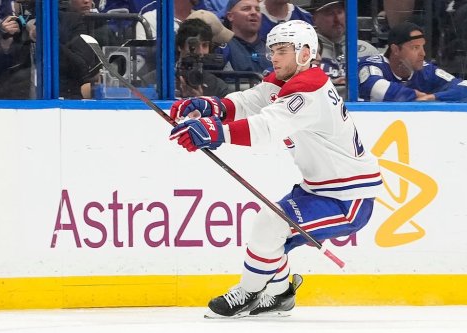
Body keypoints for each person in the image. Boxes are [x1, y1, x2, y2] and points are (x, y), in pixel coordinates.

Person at [168, 20, 382, 318]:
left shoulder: (309, 91)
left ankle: (247, 293)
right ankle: (280, 294)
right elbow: (252, 101)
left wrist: (216, 132)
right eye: (272, 51)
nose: (274, 57)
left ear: (305, 53)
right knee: (268, 232)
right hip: (319, 189)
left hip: (349, 198)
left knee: (271, 224)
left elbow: (266, 128)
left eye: (283, 50)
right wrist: (214, 107)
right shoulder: (288, 81)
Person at [358, 21, 467, 102]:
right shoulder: (371, 64)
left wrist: (432, 97)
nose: (423, 54)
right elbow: (376, 87)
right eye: (415, 48)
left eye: (422, 47)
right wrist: (416, 96)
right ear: (395, 49)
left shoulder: (427, 70)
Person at [143, 18, 232, 98]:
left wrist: (201, 102)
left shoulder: (217, 87)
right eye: (193, 45)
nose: (200, 52)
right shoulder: (154, 80)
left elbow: (228, 112)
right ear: (180, 46)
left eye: (205, 45)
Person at [308, 0, 378, 90]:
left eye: (340, 12)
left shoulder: (367, 50)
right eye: (330, 14)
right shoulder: (306, 51)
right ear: (314, 19)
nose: (337, 19)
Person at [221, 0, 272, 74]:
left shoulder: (271, 48)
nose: (254, 12)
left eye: (257, 9)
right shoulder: (223, 47)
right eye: (246, 9)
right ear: (230, 16)